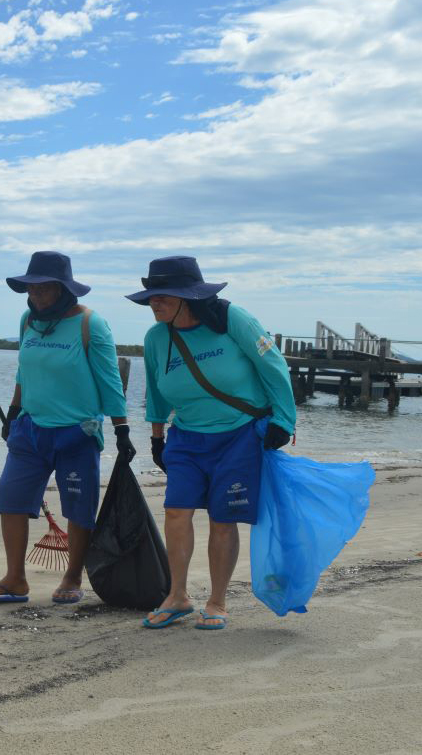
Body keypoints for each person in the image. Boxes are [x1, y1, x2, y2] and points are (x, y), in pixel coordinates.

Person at [126, 255, 295, 630]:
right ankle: (177, 596)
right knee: (176, 511)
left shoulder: (233, 320)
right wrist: (157, 439)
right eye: (152, 296)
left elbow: (274, 366)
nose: (154, 302)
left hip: (238, 436)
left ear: (188, 297)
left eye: (164, 296)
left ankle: (217, 601)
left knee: (223, 518)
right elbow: (156, 393)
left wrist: (284, 420)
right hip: (185, 437)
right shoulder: (157, 338)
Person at [0, 251, 135, 605]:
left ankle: (72, 576)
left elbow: (110, 380)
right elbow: (24, 371)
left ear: (65, 290)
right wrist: (12, 413)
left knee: (78, 506)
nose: (36, 296)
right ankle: (15, 579)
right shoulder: (27, 321)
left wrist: (121, 428)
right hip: (29, 428)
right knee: (11, 499)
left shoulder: (90, 324)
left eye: (45, 290)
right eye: (31, 290)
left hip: (77, 432)